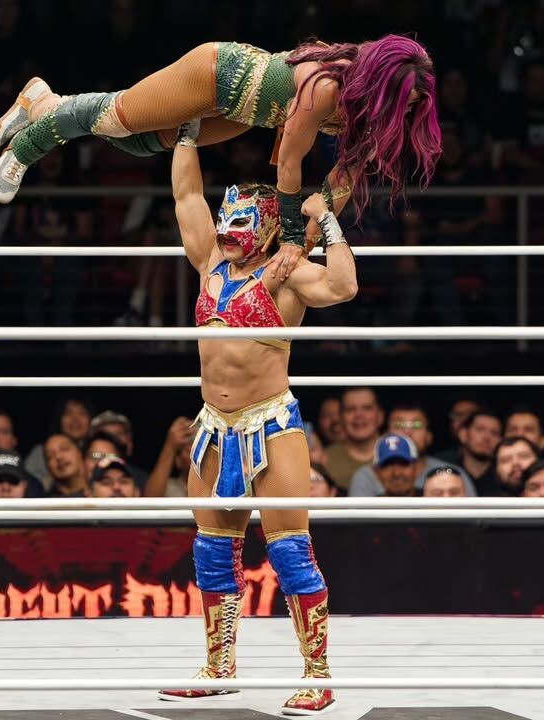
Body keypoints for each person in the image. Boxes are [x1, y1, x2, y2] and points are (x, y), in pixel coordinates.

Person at [155, 119, 358, 715]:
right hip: (213, 426)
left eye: (240, 224)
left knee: (290, 550)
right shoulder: (209, 263)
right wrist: (187, 134)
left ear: (268, 228)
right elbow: (186, 197)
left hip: (270, 424)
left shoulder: (287, 274)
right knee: (212, 549)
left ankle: (318, 673)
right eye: (227, 222)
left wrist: (328, 222)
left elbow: (344, 286)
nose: (228, 232)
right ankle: (219, 667)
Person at [0, 36, 441, 280]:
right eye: (403, 101)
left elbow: (342, 179)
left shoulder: (368, 109)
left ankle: (43, 102)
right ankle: (26, 148)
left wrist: (305, 242)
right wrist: (288, 238)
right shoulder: (326, 87)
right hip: (217, 73)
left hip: (244, 113)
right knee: (117, 119)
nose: (404, 112)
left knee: (146, 143)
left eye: (412, 107)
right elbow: (289, 163)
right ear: (382, 83)